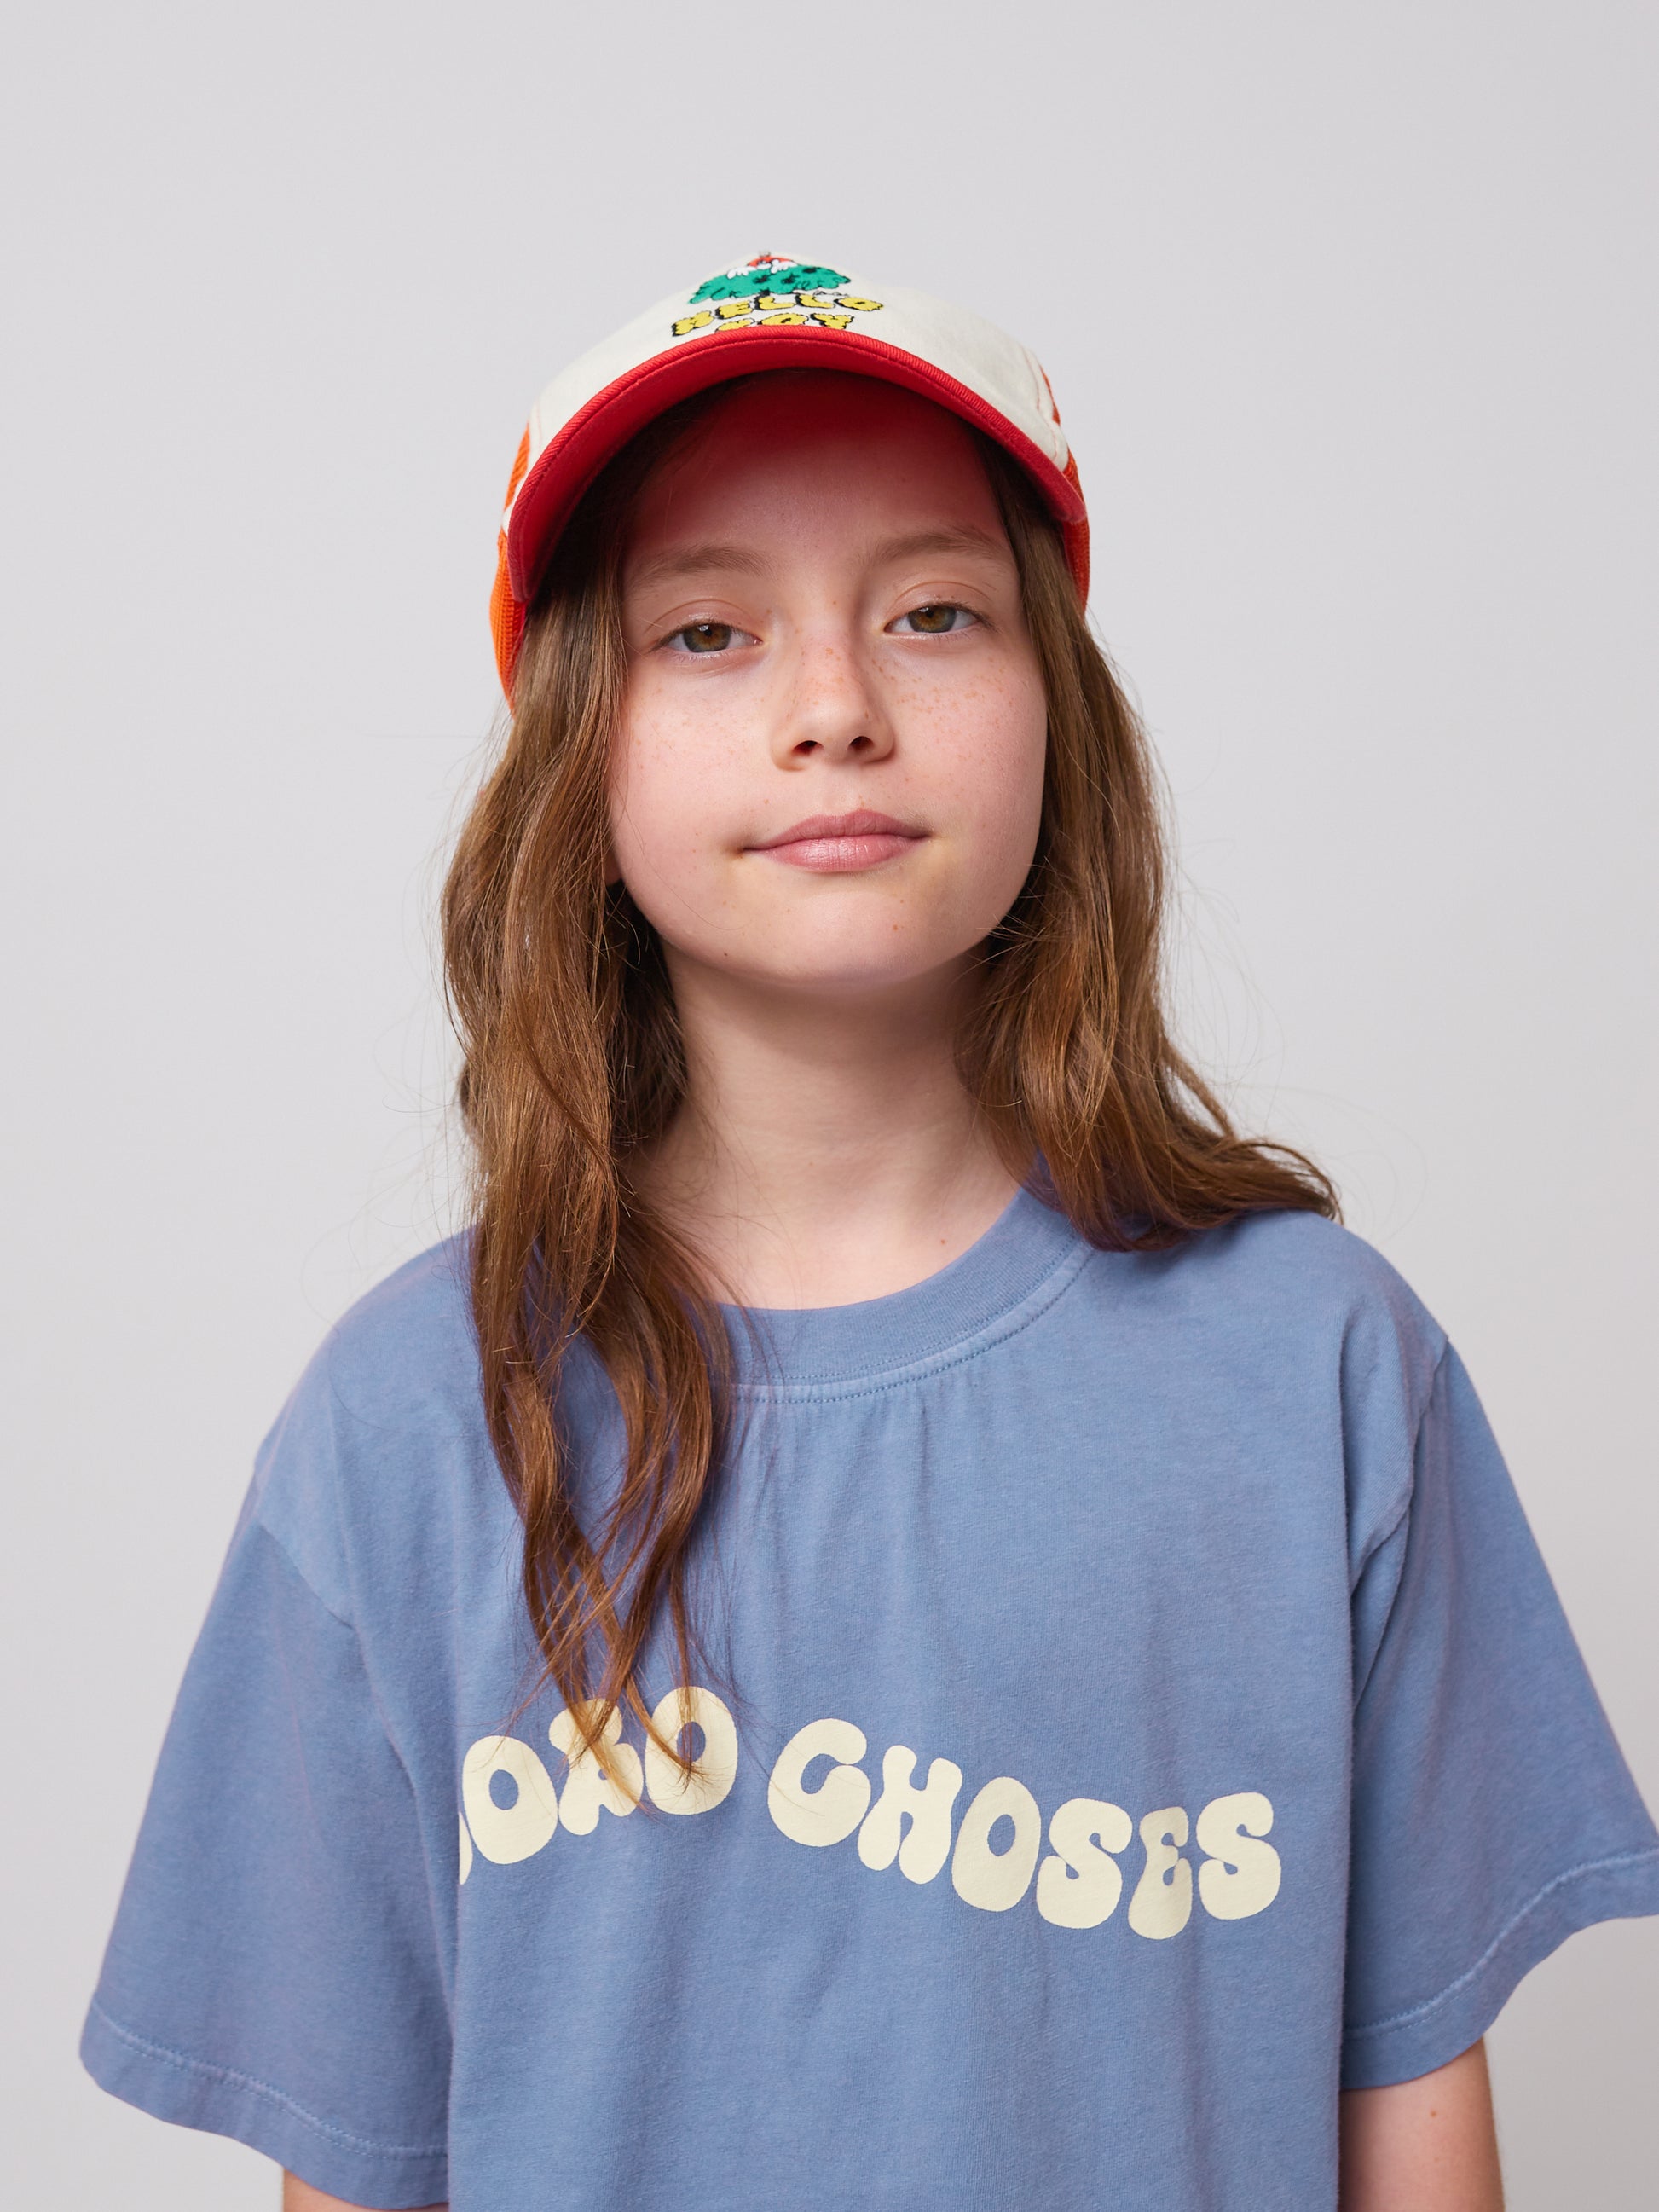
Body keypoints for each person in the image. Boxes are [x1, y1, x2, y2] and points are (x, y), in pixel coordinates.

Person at [82, 253, 1659, 2212]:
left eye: (930, 611)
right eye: (708, 632)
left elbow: (1418, 2148)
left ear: (1053, 708)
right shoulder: (410, 1425)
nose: (833, 706)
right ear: (580, 749)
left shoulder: (1321, 1369)